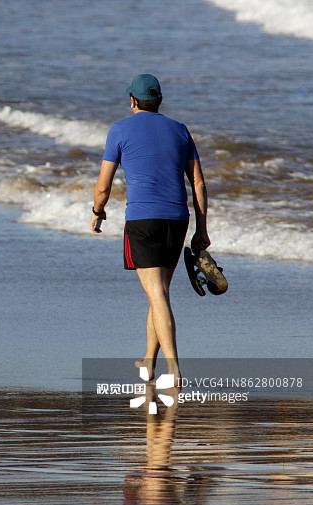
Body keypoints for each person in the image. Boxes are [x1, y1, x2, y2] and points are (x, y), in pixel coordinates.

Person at [90, 74, 210, 387]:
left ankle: (174, 371)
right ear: (159, 101)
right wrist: (201, 229)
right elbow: (197, 182)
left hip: (143, 221)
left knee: (157, 293)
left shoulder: (119, 129)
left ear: (132, 100)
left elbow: (103, 186)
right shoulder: (180, 129)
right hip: (177, 219)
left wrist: (98, 212)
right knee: (160, 294)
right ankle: (149, 361)